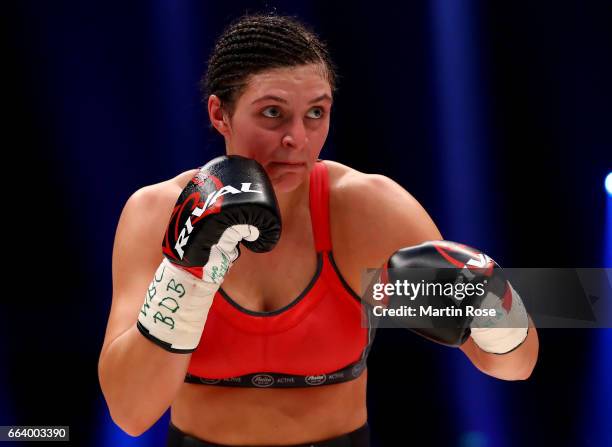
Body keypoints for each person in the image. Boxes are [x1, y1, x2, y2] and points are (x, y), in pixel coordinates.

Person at [98, 13, 539, 447]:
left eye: (315, 112)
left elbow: (514, 365)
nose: (298, 138)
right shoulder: (157, 212)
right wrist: (184, 274)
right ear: (220, 114)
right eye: (273, 112)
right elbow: (130, 413)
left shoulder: (367, 211)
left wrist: (493, 300)